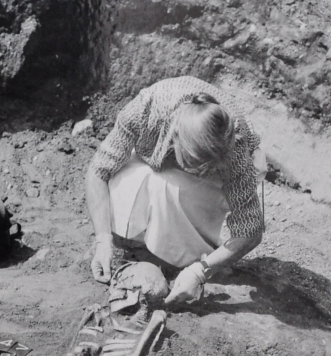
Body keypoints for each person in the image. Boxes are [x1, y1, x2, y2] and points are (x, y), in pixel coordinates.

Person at [85, 76, 266, 305]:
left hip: (225, 174)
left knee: (172, 189)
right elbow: (98, 171)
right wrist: (102, 240)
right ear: (175, 139)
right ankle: (136, 239)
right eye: (198, 165)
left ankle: (188, 251)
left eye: (208, 168)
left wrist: (200, 271)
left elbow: (250, 230)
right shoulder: (145, 110)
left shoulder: (236, 147)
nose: (202, 171)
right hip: (155, 150)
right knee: (141, 179)